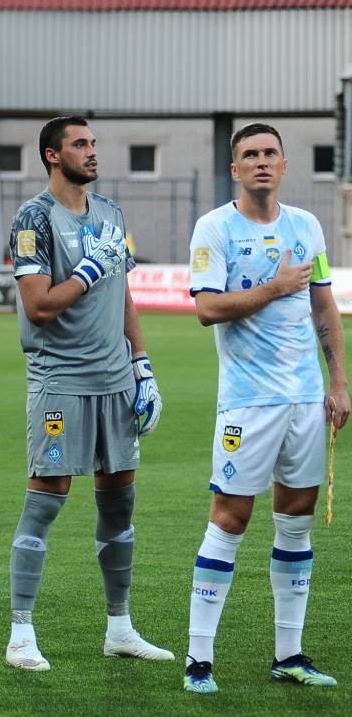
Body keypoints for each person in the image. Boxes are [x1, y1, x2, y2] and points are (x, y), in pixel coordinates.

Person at [182, 123, 349, 694]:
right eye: (249, 155)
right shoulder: (215, 228)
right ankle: (199, 659)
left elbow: (324, 304)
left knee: (297, 524)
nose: (260, 162)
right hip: (247, 404)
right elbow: (206, 307)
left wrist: (339, 383)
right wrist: (275, 289)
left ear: (283, 164)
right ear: (235, 169)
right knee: (229, 520)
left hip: (305, 398)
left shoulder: (307, 226)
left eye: (269, 153)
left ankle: (290, 654)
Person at [3, 116, 171, 671]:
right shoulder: (33, 218)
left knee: (120, 501)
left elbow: (122, 295)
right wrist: (89, 269)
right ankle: (21, 633)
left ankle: (119, 627)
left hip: (115, 380)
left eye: (94, 143)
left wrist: (142, 363)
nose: (92, 152)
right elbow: (38, 305)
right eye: (80, 144)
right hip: (61, 380)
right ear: (53, 155)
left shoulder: (112, 215)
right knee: (45, 499)